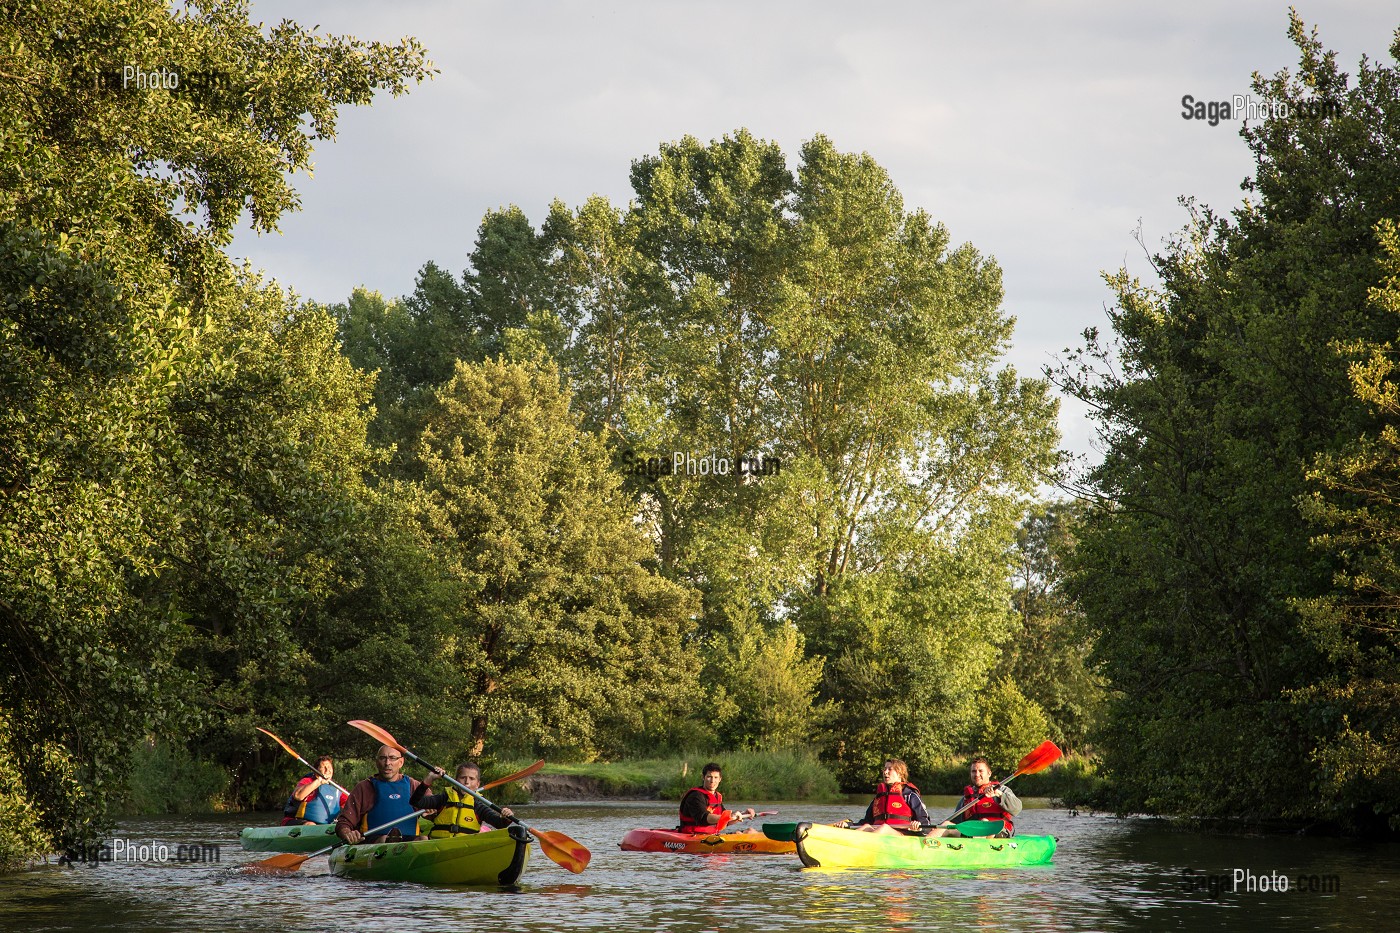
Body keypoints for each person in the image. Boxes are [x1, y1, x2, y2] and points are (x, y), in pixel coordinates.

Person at [335, 744, 430, 844]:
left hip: (408, 843)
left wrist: (432, 808)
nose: (387, 763)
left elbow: (435, 809)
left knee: (423, 839)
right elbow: (344, 822)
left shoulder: (413, 786)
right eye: (382, 758)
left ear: (401, 762)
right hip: (375, 843)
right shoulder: (364, 788)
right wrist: (347, 833)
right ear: (377, 762)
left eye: (392, 758)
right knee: (384, 839)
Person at [412, 762, 516, 837]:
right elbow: (416, 801)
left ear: (477, 784)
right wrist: (429, 779)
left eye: (471, 779)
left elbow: (499, 824)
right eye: (463, 777)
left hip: (465, 849)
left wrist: (507, 817)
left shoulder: (478, 806)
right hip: (440, 848)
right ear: (455, 780)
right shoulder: (443, 799)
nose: (466, 782)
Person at [929, 756, 1022, 837]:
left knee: (984, 822)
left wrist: (998, 794)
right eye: (974, 771)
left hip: (998, 831)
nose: (977, 774)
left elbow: (1017, 808)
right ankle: (923, 848)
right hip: (973, 832)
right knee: (945, 825)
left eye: (980, 771)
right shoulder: (967, 797)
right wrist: (936, 827)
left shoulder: (1002, 790)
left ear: (989, 773)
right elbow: (954, 821)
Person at [838, 758, 931, 834]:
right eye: (885, 769)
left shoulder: (910, 795)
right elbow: (867, 821)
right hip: (880, 834)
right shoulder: (879, 797)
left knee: (884, 828)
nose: (885, 772)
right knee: (866, 827)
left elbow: (925, 824)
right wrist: (850, 825)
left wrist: (918, 827)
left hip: (903, 836)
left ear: (900, 773)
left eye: (890, 769)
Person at [677, 762, 754, 834]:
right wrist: (730, 816)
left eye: (716, 777)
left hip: (711, 836)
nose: (712, 781)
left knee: (750, 831)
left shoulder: (717, 797)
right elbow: (703, 818)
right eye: (709, 777)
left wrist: (743, 814)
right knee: (739, 833)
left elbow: (725, 822)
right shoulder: (695, 796)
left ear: (720, 779)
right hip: (693, 836)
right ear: (703, 777)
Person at [280, 755, 348, 825]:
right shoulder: (307, 781)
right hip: (296, 821)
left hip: (323, 827)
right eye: (323, 767)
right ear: (316, 771)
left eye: (329, 767)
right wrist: (319, 781)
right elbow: (298, 796)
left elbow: (352, 803)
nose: (327, 770)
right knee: (311, 824)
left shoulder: (337, 789)